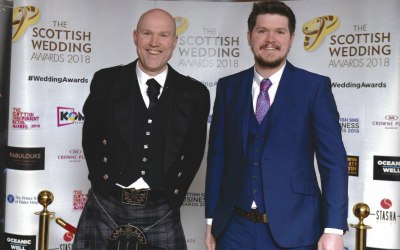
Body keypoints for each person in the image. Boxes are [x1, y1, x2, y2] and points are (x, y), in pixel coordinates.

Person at [204, 1, 348, 250]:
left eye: (280, 32)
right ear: (249, 36)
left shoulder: (314, 88)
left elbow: (333, 162)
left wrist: (333, 228)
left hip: (296, 230)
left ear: (291, 38)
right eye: (262, 31)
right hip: (233, 231)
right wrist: (210, 221)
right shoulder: (228, 88)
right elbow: (217, 159)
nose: (271, 39)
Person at [73, 8, 210, 250]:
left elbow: (194, 151)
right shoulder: (106, 81)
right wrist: (103, 188)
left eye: (164, 35)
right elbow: (91, 138)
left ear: (175, 41)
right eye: (147, 33)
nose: (154, 43)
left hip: (161, 209)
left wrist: (172, 199)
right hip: (106, 203)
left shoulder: (195, 93)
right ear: (135, 37)